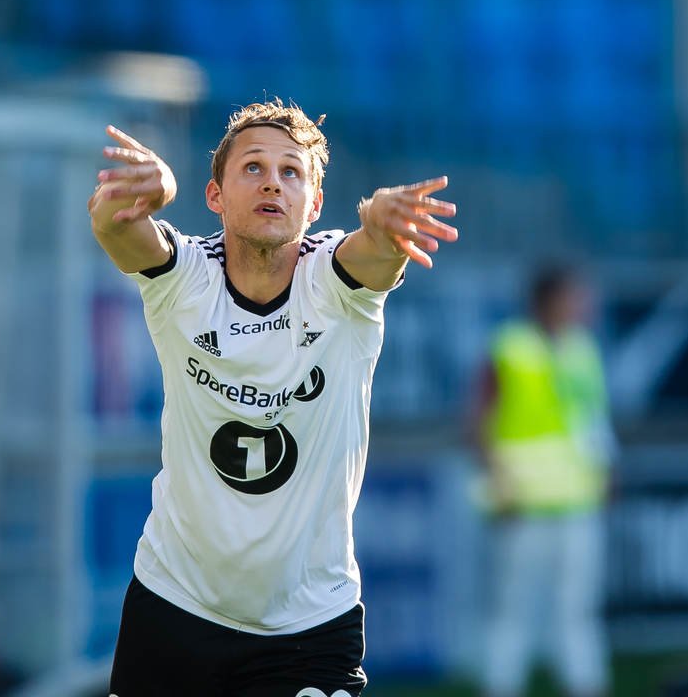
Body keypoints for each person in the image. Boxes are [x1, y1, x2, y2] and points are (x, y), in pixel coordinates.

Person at [90, 100, 457, 697]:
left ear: (313, 204)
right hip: (173, 605)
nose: (272, 182)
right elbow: (113, 227)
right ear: (215, 196)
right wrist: (143, 193)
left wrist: (382, 220)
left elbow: (376, 253)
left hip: (308, 624)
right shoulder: (185, 279)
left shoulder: (335, 286)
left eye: (292, 173)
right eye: (253, 167)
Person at [472, 261, 612, 697]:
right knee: (513, 613)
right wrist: (498, 484)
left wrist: (606, 473)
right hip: (522, 506)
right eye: (573, 296)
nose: (582, 306)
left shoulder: (582, 349)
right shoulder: (510, 348)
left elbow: (591, 422)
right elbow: (478, 421)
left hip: (578, 503)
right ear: (547, 300)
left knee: (578, 613)